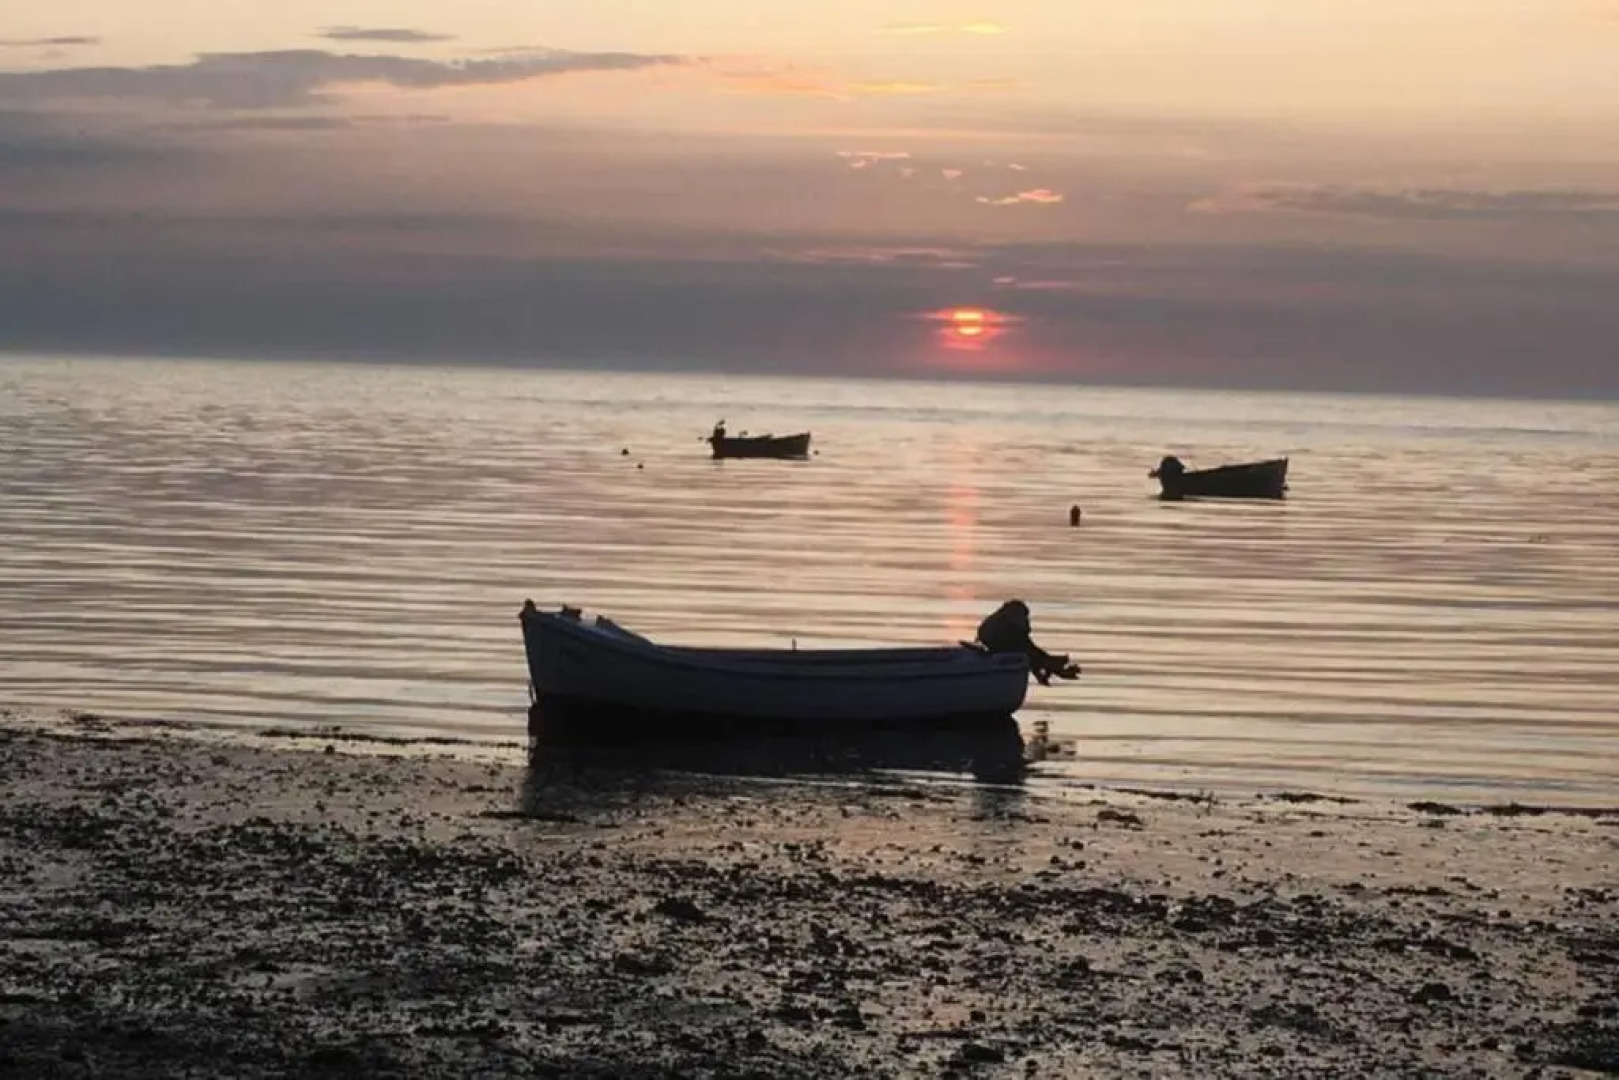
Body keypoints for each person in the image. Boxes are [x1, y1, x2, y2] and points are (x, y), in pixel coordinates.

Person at [975, 600, 1080, 686]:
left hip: (1003, 646)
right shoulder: (1007, 624)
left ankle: (1054, 666)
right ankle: (1054, 667)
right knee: (1031, 653)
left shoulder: (1004, 623)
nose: (1027, 621)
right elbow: (1028, 650)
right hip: (1001, 646)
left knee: (1032, 653)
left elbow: (1029, 649)